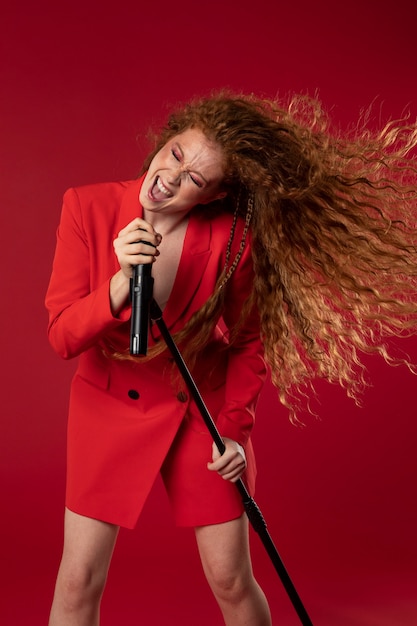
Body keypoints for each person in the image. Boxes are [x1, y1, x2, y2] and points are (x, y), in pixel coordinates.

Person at [45, 90, 417, 625]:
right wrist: (121, 284)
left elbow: (247, 341)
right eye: (175, 154)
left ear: (214, 195)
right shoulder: (86, 206)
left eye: (195, 179)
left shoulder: (232, 239)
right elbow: (61, 336)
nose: (171, 177)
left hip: (200, 408)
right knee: (78, 580)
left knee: (231, 578)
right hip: (107, 406)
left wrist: (236, 430)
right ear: (165, 139)